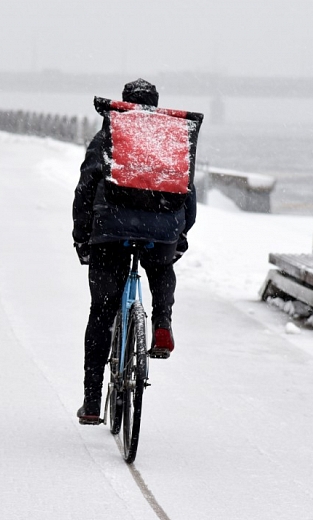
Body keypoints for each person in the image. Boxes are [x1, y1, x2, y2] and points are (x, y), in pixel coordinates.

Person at [72, 78, 196, 425]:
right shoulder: (170, 138)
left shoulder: (109, 134)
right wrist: (179, 233)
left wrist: (82, 236)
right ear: (156, 105)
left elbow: (85, 188)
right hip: (161, 229)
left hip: (110, 230)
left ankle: (93, 401)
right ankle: (161, 324)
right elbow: (188, 191)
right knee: (161, 266)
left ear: (124, 103)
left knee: (101, 312)